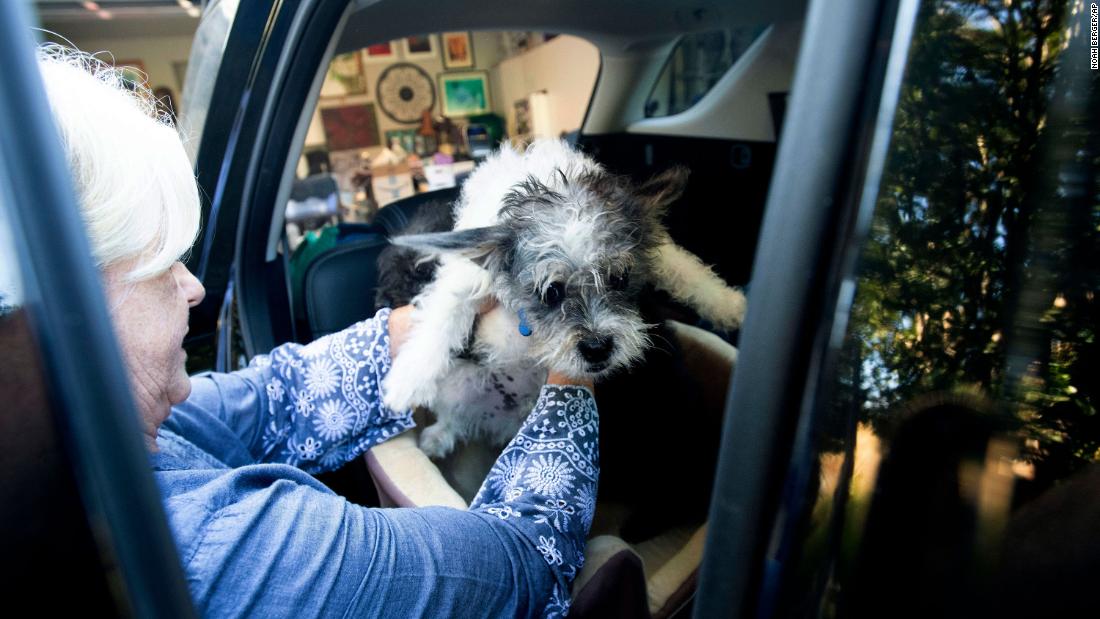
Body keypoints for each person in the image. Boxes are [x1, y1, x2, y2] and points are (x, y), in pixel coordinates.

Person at [37, 45, 598, 617]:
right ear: (63, 302)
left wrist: (435, 322)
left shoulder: (119, 438)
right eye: (161, 266)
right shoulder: (229, 557)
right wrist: (572, 366)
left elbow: (277, 397)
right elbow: (521, 564)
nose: (193, 288)